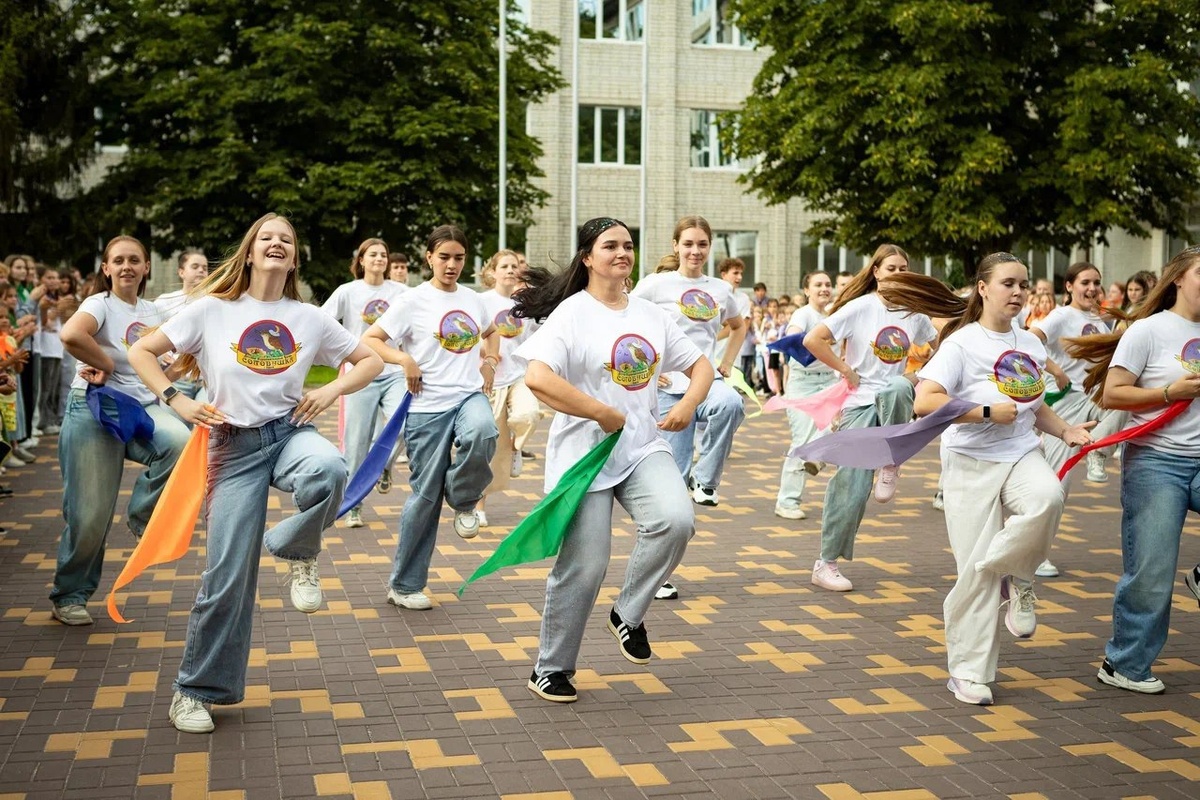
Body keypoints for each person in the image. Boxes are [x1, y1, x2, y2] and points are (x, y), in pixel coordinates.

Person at [129, 213, 383, 733]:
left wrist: (330, 389)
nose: (276, 243)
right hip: (231, 448)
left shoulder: (308, 317)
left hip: (289, 433)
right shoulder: (211, 310)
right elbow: (141, 350)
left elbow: (370, 362)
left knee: (330, 467)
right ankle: (195, 692)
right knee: (226, 578)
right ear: (249, 252)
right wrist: (176, 399)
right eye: (266, 237)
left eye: (286, 239)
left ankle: (298, 551)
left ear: (294, 258)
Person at [511, 216, 713, 702]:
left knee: (676, 520)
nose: (622, 253)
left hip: (642, 445)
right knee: (587, 565)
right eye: (610, 246)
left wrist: (687, 404)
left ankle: (628, 612)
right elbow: (538, 377)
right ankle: (551, 668)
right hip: (585, 453)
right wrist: (598, 411)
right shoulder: (572, 314)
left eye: (628, 245)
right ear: (587, 257)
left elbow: (702, 365)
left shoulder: (649, 314)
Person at [878, 257, 1092, 705]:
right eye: (1007, 283)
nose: (1018, 292)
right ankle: (969, 673)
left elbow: (1034, 405)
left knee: (1048, 498)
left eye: (1023, 285)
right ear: (982, 288)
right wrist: (986, 412)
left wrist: (1066, 431)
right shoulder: (962, 343)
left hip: (1021, 453)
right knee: (974, 574)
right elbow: (925, 401)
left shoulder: (1029, 343)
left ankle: (1016, 573)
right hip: (969, 461)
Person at [1064, 245, 1200, 694]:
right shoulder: (1148, 330)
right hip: (1156, 461)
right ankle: (1124, 664)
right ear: (1178, 278)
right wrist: (1170, 392)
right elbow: (1113, 394)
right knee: (1152, 572)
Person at [51, 236, 191, 627]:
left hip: (141, 407)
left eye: (134, 260)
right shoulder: (99, 304)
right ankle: (70, 594)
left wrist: (183, 365)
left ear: (146, 267)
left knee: (180, 441)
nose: (126, 266)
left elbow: (163, 364)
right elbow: (71, 335)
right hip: (95, 408)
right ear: (106, 268)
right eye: (118, 260)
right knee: (90, 517)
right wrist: (105, 364)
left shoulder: (153, 310)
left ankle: (142, 515)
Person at [363, 225, 500, 611]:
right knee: (425, 497)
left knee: (483, 431)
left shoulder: (473, 300)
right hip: (426, 407)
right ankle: (404, 585)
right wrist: (404, 359)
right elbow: (370, 340)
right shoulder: (412, 301)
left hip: (468, 394)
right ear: (429, 258)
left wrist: (490, 360)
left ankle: (464, 499)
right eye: (444, 257)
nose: (452, 265)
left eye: (459, 258)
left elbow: (492, 333)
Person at [802, 245, 937, 592]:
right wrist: (845, 369)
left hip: (894, 401)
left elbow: (942, 347)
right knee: (852, 485)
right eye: (891, 268)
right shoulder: (861, 307)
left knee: (898, 386)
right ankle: (826, 563)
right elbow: (813, 340)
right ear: (876, 272)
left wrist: (920, 376)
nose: (898, 274)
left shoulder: (915, 314)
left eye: (904, 268)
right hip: (859, 404)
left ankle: (891, 461)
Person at [630, 216, 747, 601]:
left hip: (705, 380)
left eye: (702, 244)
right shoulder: (656, 285)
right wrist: (650, 367)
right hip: (667, 393)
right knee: (670, 493)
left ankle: (706, 481)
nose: (695, 251)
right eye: (689, 244)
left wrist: (726, 362)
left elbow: (738, 325)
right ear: (676, 246)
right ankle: (658, 576)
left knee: (731, 403)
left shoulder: (720, 289)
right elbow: (627, 319)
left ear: (709, 248)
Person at [1029, 262, 1127, 577]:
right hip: (1064, 405)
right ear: (1070, 286)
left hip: (1094, 397)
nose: (1092, 288)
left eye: (1096, 282)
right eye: (1085, 282)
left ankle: (1099, 453)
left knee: (1125, 403)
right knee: (1056, 485)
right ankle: (1036, 554)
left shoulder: (1101, 320)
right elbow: (1029, 340)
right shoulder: (1060, 316)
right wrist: (1055, 370)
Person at [321, 238, 409, 527]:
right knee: (355, 444)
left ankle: (382, 465)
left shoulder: (401, 293)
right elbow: (322, 322)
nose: (380, 259)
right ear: (361, 260)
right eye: (373, 254)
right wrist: (339, 352)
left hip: (393, 372)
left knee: (404, 426)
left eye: (383, 254)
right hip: (359, 374)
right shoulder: (347, 292)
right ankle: (353, 504)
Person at [476, 249, 540, 527]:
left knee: (529, 414)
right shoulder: (481, 302)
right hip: (491, 381)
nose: (511, 270)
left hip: (519, 376)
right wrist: (486, 352)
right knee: (489, 447)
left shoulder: (525, 304)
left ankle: (516, 448)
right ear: (493, 272)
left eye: (514, 266)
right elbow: (470, 336)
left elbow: (538, 337)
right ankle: (478, 505)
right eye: (504, 266)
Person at [775, 271, 837, 520]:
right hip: (802, 384)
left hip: (830, 382)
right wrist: (799, 339)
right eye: (818, 284)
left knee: (842, 423)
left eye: (828, 284)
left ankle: (817, 456)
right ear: (806, 290)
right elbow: (793, 335)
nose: (824, 288)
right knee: (801, 442)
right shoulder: (804, 314)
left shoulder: (834, 315)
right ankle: (787, 502)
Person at [154, 250, 211, 405]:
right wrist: (161, 354)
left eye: (205, 268)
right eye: (195, 266)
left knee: (206, 420)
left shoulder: (214, 302)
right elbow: (146, 333)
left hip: (207, 381)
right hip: (176, 380)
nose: (201, 270)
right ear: (181, 272)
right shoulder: (164, 302)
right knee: (173, 421)